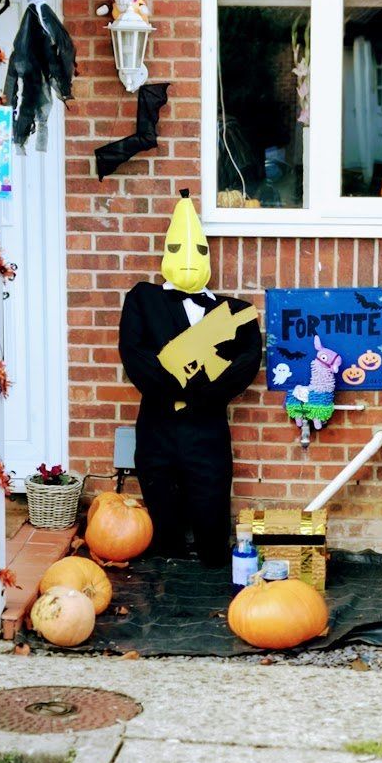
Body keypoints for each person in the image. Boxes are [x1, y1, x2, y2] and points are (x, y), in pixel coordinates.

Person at [119, 190, 262, 566]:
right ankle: (168, 570)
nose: (188, 258)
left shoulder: (236, 313)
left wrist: (199, 396)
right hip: (157, 424)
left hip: (207, 426)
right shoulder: (142, 300)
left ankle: (214, 570)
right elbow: (135, 356)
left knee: (212, 509)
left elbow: (246, 363)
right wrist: (181, 386)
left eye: (197, 250)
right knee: (161, 511)